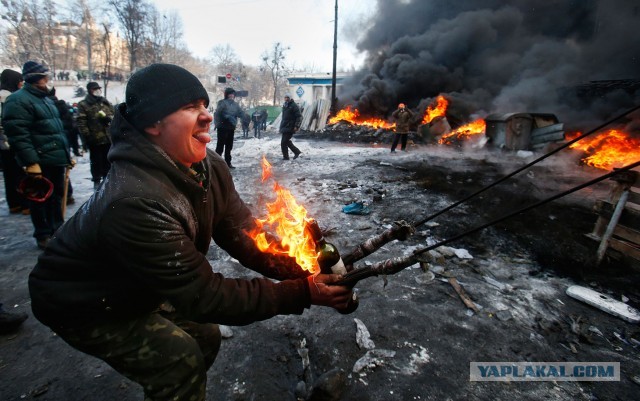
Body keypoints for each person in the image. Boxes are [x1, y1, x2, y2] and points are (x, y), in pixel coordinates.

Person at [28, 63, 353, 401]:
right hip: (84, 300)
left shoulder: (208, 165)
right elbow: (204, 296)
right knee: (178, 362)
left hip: (140, 281)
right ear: (152, 123)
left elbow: (243, 233)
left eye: (202, 104)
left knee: (205, 337)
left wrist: (307, 269)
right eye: (188, 107)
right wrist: (302, 293)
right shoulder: (133, 200)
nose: (207, 116)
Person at [2, 61, 72, 249]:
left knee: (56, 195)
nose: (47, 80)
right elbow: (18, 134)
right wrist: (31, 162)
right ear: (35, 78)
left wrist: (66, 155)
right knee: (41, 198)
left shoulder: (46, 100)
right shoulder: (18, 100)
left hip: (55, 157)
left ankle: (57, 229)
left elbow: (57, 130)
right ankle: (43, 234)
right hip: (40, 159)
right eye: (44, 77)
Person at [0, 68, 28, 214]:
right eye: (19, 81)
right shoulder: (11, 98)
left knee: (9, 174)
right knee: (20, 173)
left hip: (2, 144)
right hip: (11, 141)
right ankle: (24, 203)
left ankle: (14, 203)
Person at [77, 81, 114, 189]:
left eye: (98, 88)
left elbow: (113, 115)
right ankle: (97, 181)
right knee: (96, 162)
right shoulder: (84, 104)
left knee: (108, 161)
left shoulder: (104, 102)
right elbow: (81, 121)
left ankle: (108, 181)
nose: (97, 90)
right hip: (95, 139)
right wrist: (87, 136)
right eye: (95, 89)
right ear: (90, 90)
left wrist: (108, 119)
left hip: (107, 138)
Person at [213, 87, 243, 169]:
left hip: (231, 128)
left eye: (233, 94)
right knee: (220, 146)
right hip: (222, 127)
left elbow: (240, 113)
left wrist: (244, 116)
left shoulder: (235, 105)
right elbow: (218, 113)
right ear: (226, 95)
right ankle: (216, 164)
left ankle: (228, 163)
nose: (231, 96)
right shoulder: (221, 102)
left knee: (229, 146)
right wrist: (225, 117)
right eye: (230, 94)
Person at [279, 94, 302, 160]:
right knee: (286, 141)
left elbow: (299, 116)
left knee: (283, 142)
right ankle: (296, 152)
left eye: (287, 97)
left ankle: (286, 157)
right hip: (284, 126)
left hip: (290, 126)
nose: (286, 99)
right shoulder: (285, 105)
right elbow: (284, 117)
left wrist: (296, 126)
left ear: (290, 98)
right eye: (285, 97)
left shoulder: (294, 106)